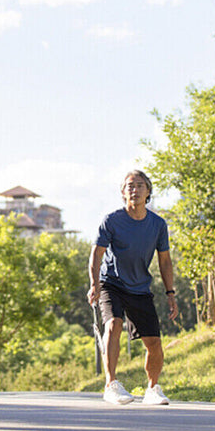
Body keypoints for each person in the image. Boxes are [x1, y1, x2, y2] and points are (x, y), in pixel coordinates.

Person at [87, 170, 178, 406]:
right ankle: (111, 384)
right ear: (123, 192)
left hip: (140, 287)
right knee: (114, 324)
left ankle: (153, 389)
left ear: (148, 192)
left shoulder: (158, 224)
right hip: (111, 283)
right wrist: (94, 284)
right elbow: (96, 254)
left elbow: (165, 261)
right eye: (130, 186)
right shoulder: (112, 220)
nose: (134, 190)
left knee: (154, 342)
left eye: (139, 186)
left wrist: (171, 293)